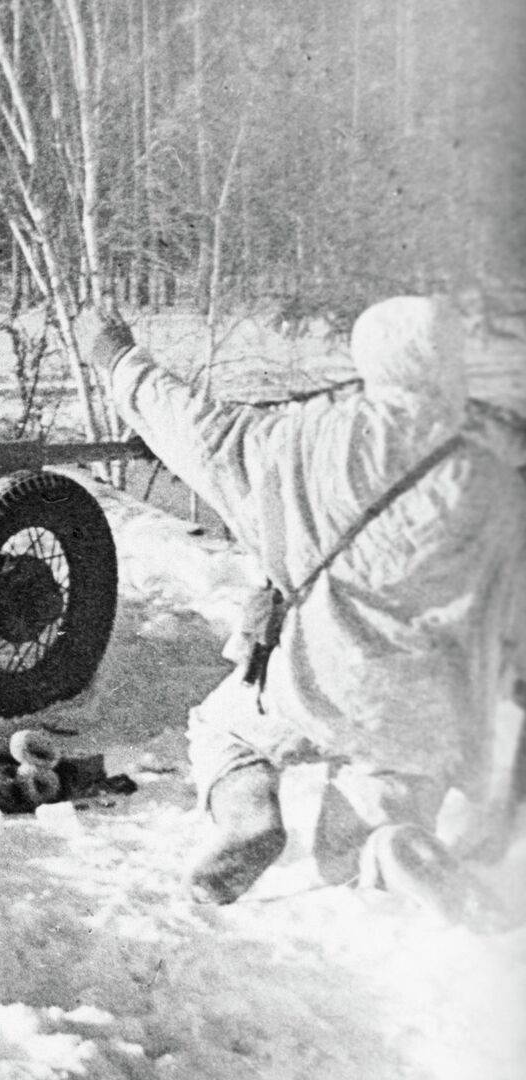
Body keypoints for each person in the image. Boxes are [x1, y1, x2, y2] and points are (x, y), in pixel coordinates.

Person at [94, 297, 526, 917]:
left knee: (223, 728)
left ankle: (248, 814)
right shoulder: (489, 479)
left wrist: (116, 356)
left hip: (313, 680)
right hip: (427, 710)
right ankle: (387, 848)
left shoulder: (304, 439)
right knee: (377, 812)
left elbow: (197, 428)